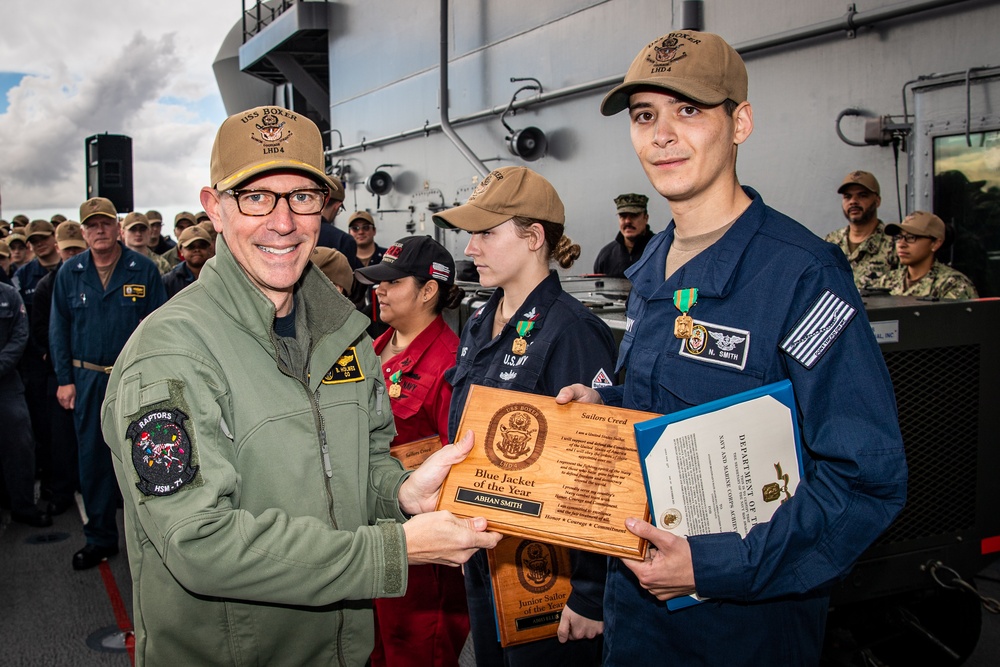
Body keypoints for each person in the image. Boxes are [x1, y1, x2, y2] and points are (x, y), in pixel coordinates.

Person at [99, 105, 500, 667]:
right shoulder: (171, 355)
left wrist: (401, 495)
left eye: (302, 196)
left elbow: (362, 463)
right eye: (256, 197)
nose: (283, 222)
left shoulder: (345, 335)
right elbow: (199, 543)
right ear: (215, 208)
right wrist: (393, 550)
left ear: (324, 206)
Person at [554, 31, 908, 665]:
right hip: (636, 612)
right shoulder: (653, 269)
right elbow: (678, 400)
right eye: (644, 115)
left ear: (739, 122)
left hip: (743, 628)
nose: (661, 134)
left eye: (688, 110)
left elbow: (864, 478)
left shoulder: (800, 275)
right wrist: (605, 402)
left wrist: (715, 565)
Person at [433, 166, 615, 667]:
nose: (470, 249)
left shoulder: (574, 331)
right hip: (486, 552)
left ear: (533, 237)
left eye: (486, 233)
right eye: (471, 235)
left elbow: (598, 474)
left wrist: (589, 593)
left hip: (546, 571)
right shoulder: (479, 319)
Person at [355, 235, 470, 667]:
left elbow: (457, 465)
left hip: (422, 554)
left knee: (418, 653)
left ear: (428, 290)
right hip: (371, 530)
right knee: (378, 649)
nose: (378, 290)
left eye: (392, 282)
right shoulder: (370, 349)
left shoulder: (449, 363)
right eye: (377, 281)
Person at [50, 196, 167, 571]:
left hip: (133, 379)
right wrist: (65, 380)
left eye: (105, 223)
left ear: (118, 228)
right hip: (86, 381)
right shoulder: (70, 272)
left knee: (146, 460)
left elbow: (160, 328)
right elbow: (59, 329)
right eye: (91, 225)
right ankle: (100, 538)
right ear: (82, 232)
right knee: (93, 462)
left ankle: (153, 541)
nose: (99, 230)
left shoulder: (144, 270)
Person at [30, 221, 88, 515]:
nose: (72, 254)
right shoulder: (47, 284)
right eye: (68, 250)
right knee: (61, 439)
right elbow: (43, 329)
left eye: (77, 248)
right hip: (60, 371)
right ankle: (63, 490)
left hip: (89, 370)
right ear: (58, 249)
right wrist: (62, 368)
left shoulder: (88, 277)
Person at [0, 280, 52, 527]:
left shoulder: (9, 295)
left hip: (6, 382)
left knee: (20, 445)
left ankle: (23, 505)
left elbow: (20, 335)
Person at [872, 210, 978, 299]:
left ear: (936, 243)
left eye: (911, 237)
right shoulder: (887, 281)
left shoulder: (952, 284)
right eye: (898, 237)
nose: (901, 244)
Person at [824, 170, 898, 289]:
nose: (853, 201)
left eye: (862, 195)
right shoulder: (831, 242)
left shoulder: (895, 244)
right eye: (847, 197)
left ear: (877, 201)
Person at [593, 193, 655, 276]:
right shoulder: (606, 255)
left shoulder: (660, 249)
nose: (627, 221)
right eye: (623, 216)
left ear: (646, 218)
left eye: (634, 215)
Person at [162, 225, 215, 299]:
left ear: (209, 249)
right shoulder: (169, 281)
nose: (197, 250)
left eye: (202, 246)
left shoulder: (220, 276)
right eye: (191, 246)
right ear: (181, 251)